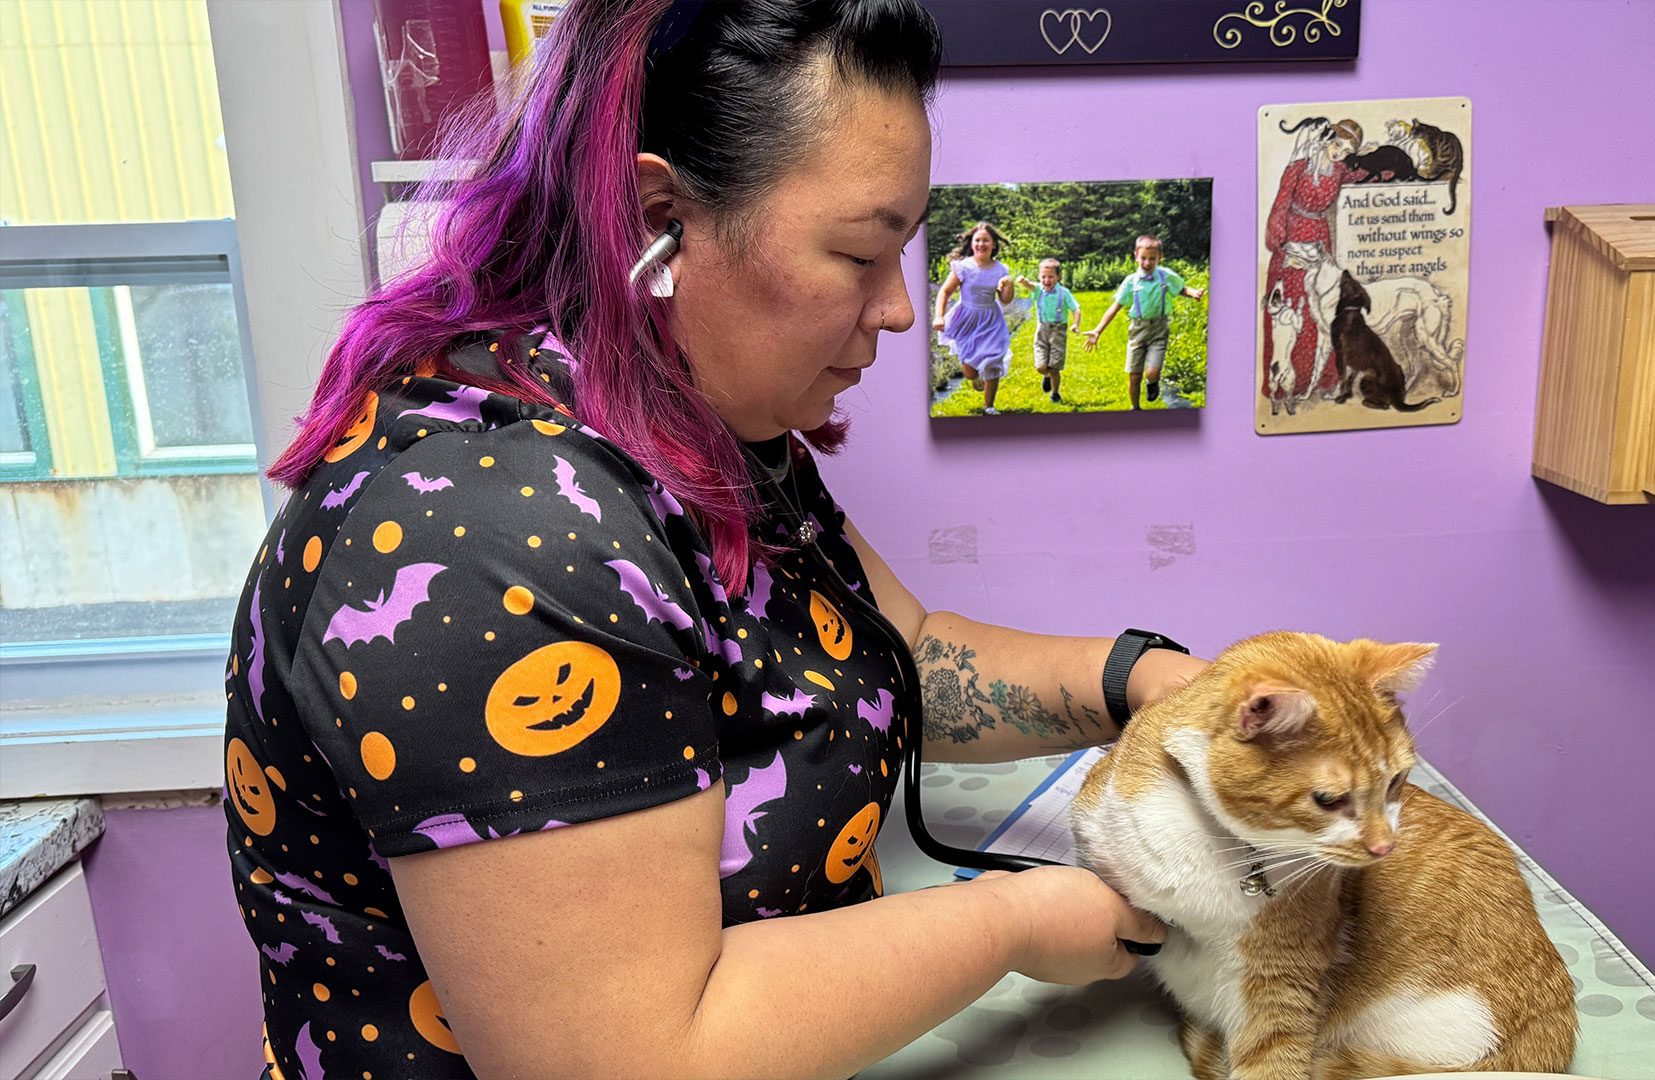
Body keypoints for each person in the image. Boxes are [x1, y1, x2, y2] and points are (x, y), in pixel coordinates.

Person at [223, 2, 1196, 1077]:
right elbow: (634, 1057)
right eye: (861, 252)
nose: (901, 312)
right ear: (661, 217)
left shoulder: (696, 421)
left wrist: (1145, 680)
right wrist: (1015, 925)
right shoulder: (487, 532)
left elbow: (896, 654)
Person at [1262, 117, 1366, 415]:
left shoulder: (1340, 171)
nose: (1340, 154)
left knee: (1319, 307)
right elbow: (1281, 205)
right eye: (1338, 145)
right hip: (1294, 237)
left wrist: (1385, 166)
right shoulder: (1298, 168)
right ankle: (1286, 383)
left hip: (1320, 240)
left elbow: (1364, 176)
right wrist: (1279, 244)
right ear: (1327, 139)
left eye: (1347, 151)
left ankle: (1319, 377)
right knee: (1292, 309)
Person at [1081, 235, 1205, 411]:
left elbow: (1181, 289)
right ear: (1136, 256)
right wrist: (1097, 331)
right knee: (1134, 375)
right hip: (1137, 330)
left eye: (1152, 259)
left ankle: (1152, 382)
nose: (1147, 263)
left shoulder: (1165, 276)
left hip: (1159, 329)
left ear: (1160, 258)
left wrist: (1193, 293)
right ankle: (1135, 408)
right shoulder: (1131, 281)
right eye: (1143, 258)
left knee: (1152, 372)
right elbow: (1114, 308)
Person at [931, 222, 1016, 415]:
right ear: (972, 244)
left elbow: (1006, 300)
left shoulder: (1001, 270)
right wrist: (939, 316)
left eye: (986, 240)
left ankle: (990, 407)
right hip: (966, 319)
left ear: (994, 244)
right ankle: (976, 378)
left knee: (994, 360)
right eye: (978, 240)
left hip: (991, 319)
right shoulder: (964, 267)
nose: (981, 244)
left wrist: (1009, 285)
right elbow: (944, 291)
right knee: (969, 369)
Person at [1015, 258, 1080, 404]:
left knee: (1055, 367)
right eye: (1043, 277)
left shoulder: (1064, 293)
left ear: (1059, 276)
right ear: (1039, 276)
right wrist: (1023, 281)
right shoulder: (1038, 290)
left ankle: (1055, 393)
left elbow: (1076, 309)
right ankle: (1047, 375)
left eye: (1051, 277)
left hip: (1059, 331)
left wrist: (1076, 324)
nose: (1047, 280)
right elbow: (1030, 286)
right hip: (1042, 330)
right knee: (1041, 367)